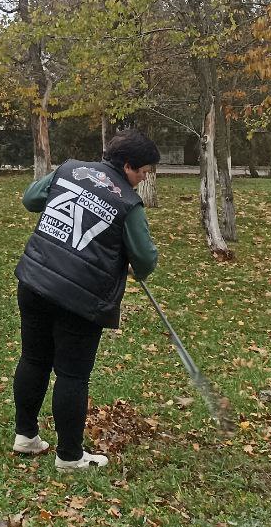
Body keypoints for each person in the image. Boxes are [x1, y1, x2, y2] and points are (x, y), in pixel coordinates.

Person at [11, 129, 161, 471]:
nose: (142, 180)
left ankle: (26, 436)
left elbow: (31, 199)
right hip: (80, 298)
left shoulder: (70, 170)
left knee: (34, 359)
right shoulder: (127, 202)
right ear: (127, 166)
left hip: (34, 281)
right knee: (73, 375)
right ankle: (69, 456)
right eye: (142, 172)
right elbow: (146, 260)